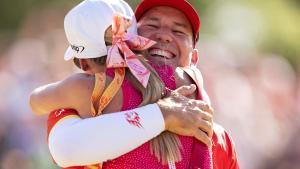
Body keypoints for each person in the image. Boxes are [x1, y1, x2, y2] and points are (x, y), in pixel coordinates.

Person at [30, 0, 240, 168]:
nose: (164, 36)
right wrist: (162, 115)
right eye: (152, 25)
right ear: (133, 39)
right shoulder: (74, 113)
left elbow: (35, 101)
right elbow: (66, 149)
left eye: (178, 31)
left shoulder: (221, 141)